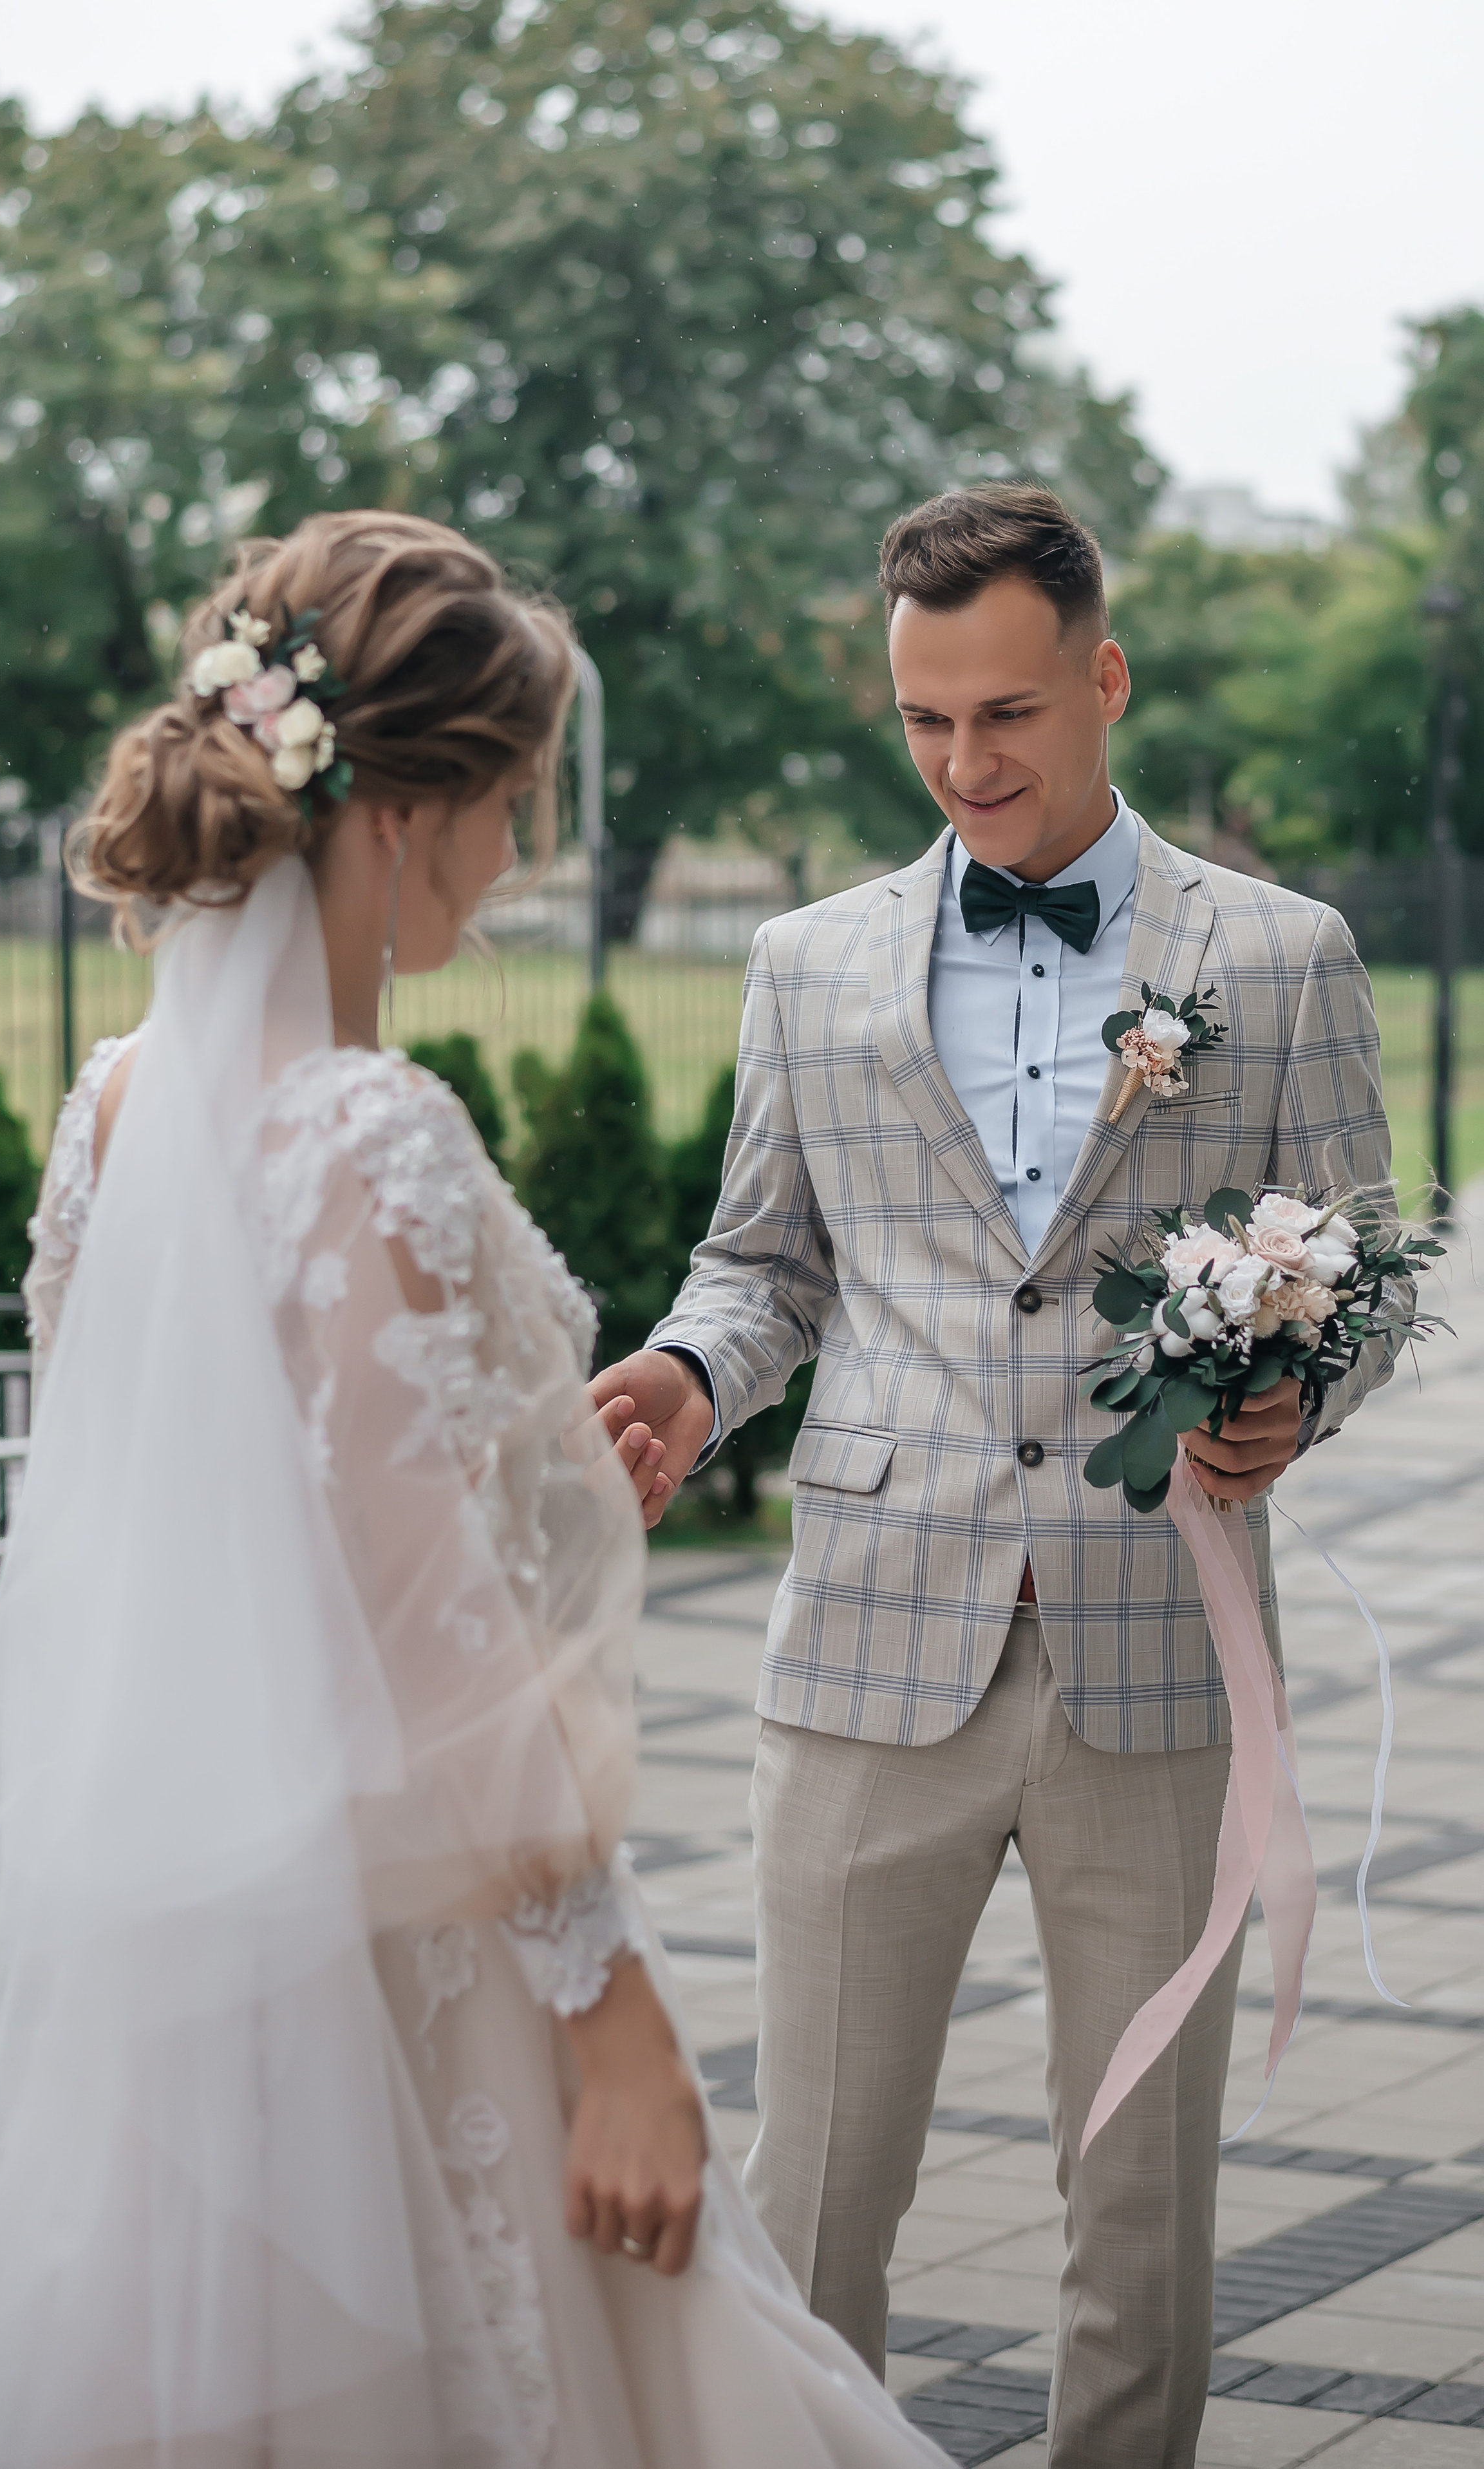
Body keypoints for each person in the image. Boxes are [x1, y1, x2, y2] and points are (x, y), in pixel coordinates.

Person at [0, 512, 945, 2469]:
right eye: (512, 802)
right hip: (426, 1967)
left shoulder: (114, 1108)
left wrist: (533, 1478)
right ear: (402, 812)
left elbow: (207, 1529)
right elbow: (439, 1636)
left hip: (190, 1958)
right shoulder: (369, 1132)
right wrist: (611, 2016)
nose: (520, 856)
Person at [594, 484, 1405, 2468]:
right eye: (927, 720)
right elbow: (765, 1263)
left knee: (1140, 2209)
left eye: (1010, 714)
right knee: (814, 2197)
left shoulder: (1282, 953)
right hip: (871, 1645)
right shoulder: (808, 961)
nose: (966, 762)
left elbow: (1359, 1268)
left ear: (1105, 679)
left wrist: (1299, 1397)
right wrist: (693, 1371)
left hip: (1162, 1651)